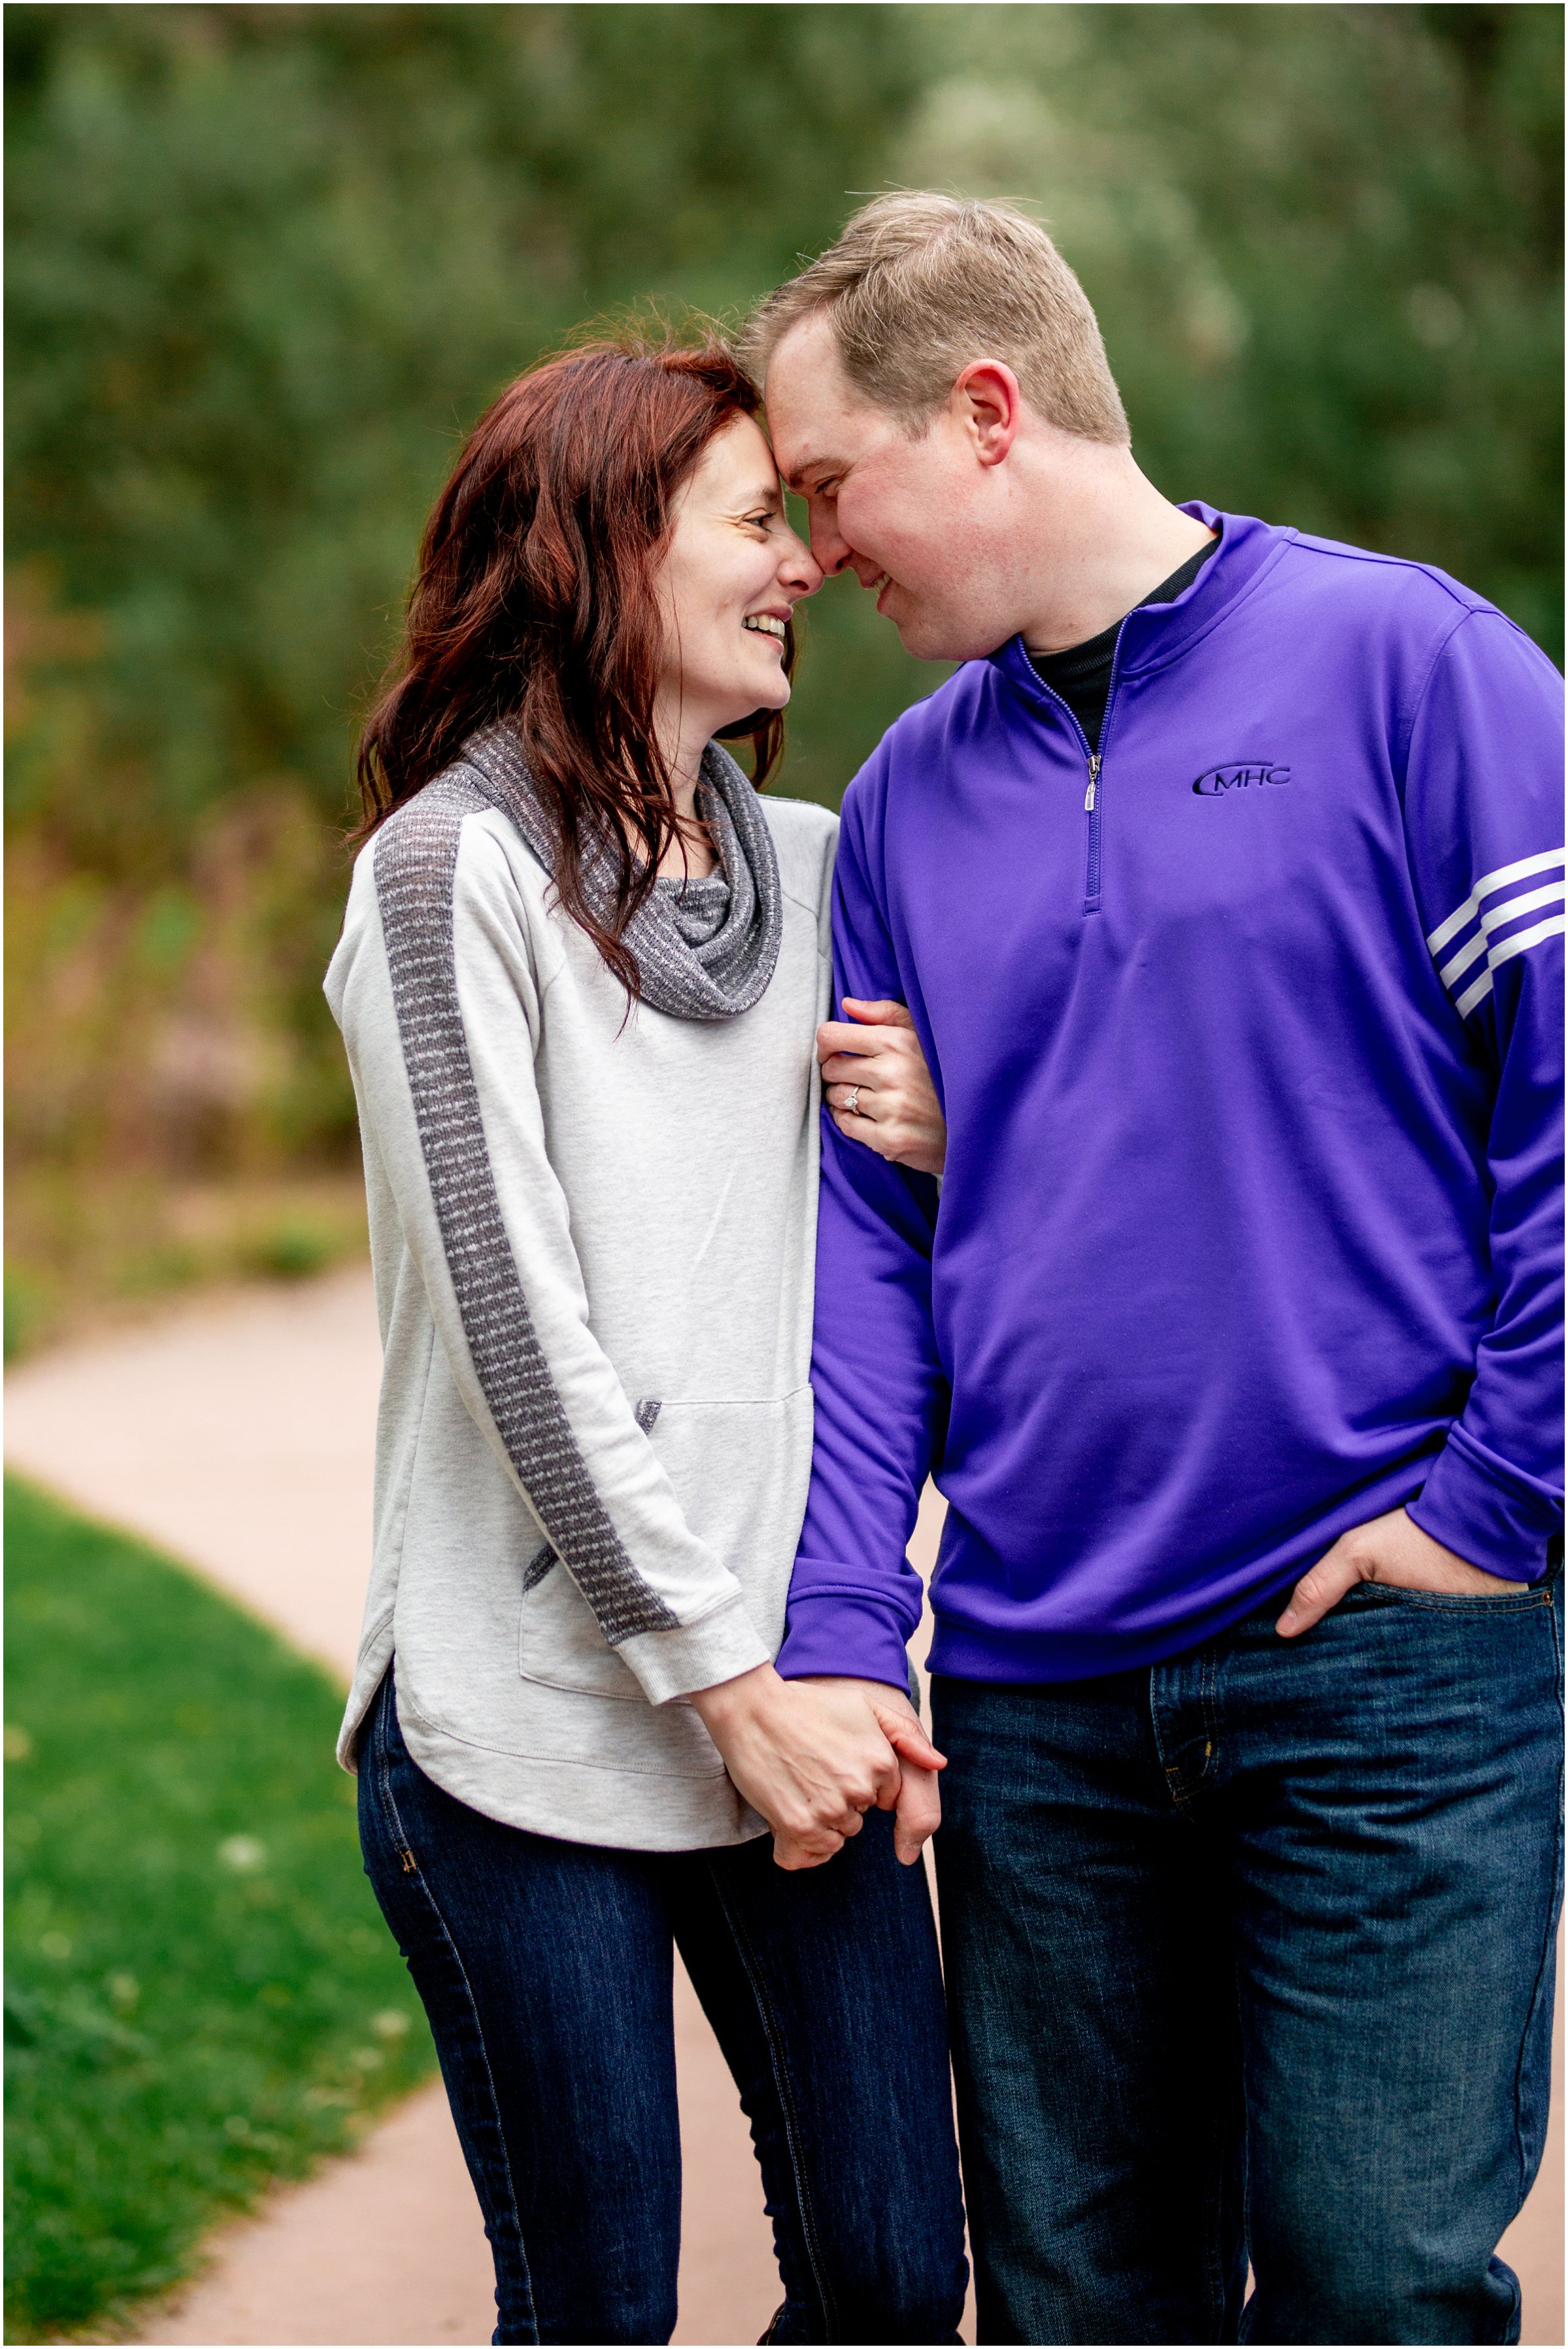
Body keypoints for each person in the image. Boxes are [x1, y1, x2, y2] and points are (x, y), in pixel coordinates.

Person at [747, 194, 1565, 2347]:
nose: (820, 552)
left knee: (1378, 2289)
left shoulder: (1419, 669)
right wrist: (846, 1610)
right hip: (1039, 1699)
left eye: (832, 486)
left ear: (989, 411)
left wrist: (1495, 1510)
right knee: (1085, 2305)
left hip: (1379, 1668)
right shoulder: (911, 802)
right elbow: (876, 1243)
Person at [326, 336, 967, 2347]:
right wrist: (726, 1679)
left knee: (886, 2275)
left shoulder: (824, 863)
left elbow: (905, 1260)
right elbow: (522, 1331)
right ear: (609, 547)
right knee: (595, 2310)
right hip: (526, 1723)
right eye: (761, 520)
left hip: (790, 1710)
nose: (805, 564)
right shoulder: (453, 876)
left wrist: (960, 1142)